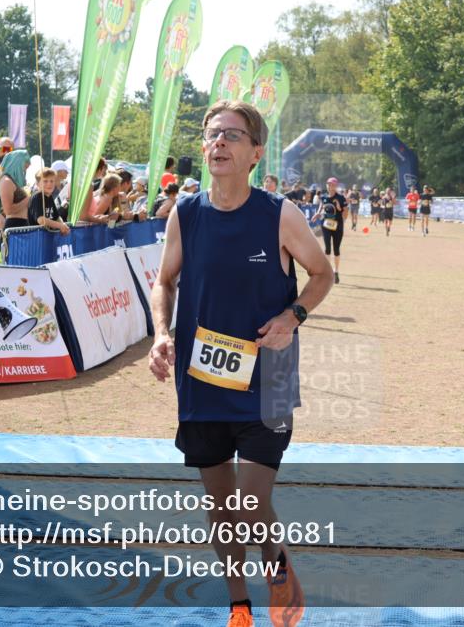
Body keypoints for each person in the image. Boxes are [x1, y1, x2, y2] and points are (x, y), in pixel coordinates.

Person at [148, 99, 333, 627]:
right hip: (203, 381)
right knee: (223, 507)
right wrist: (162, 334)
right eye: (212, 134)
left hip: (267, 381)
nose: (219, 142)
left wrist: (293, 316)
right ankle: (239, 604)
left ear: (255, 153)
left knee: (251, 507)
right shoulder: (185, 213)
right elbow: (164, 282)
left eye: (232, 135)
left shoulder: (279, 215)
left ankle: (276, 568)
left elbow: (322, 276)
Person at [316, 177, 347, 284]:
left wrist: (339, 208)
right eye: (329, 184)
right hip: (326, 225)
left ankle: (336, 272)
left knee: (336, 249)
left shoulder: (341, 198)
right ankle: (327, 272)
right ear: (327, 185)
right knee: (327, 248)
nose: (330, 186)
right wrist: (318, 212)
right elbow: (321, 205)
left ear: (336, 186)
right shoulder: (323, 197)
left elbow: (345, 212)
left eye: (333, 185)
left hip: (338, 226)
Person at [0, 149, 31, 231]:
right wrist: (28, 200)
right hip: (14, 225)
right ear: (16, 164)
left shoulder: (15, 180)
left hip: (22, 223)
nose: (25, 171)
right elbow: (8, 210)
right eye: (24, 167)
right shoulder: (6, 181)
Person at [28, 168, 70, 236]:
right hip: (36, 238)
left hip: (48, 237)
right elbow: (41, 220)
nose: (49, 184)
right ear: (37, 184)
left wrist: (62, 225)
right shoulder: (37, 197)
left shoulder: (49, 197)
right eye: (45, 181)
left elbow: (57, 217)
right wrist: (60, 226)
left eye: (52, 181)